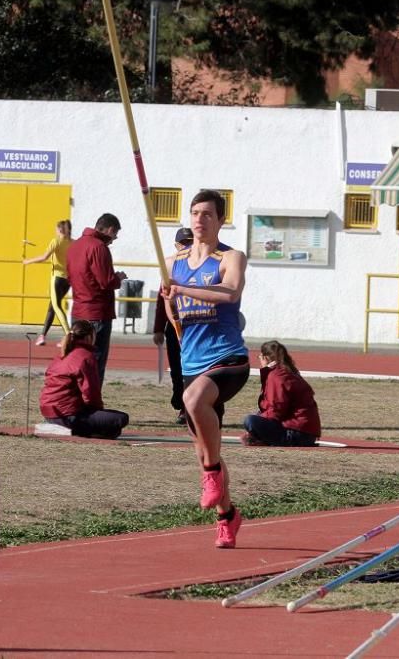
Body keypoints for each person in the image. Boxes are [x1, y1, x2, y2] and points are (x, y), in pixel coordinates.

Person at [161, 189, 249, 549]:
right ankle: (227, 517)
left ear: (220, 220)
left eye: (207, 214)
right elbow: (173, 315)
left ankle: (212, 476)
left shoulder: (231, 257)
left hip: (228, 359)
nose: (199, 220)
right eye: (195, 213)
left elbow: (230, 293)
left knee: (194, 399)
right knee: (203, 449)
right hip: (192, 363)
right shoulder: (172, 261)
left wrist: (182, 289)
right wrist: (172, 302)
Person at [39, 319, 130, 438]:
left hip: (49, 412)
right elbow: (90, 392)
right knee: (120, 419)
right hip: (68, 416)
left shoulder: (61, 354)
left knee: (108, 423)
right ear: (89, 337)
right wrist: (96, 411)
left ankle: (63, 426)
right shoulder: (86, 356)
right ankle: (77, 430)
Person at [66, 213, 126, 387]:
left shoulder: (75, 246)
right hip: (97, 313)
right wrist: (118, 278)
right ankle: (91, 403)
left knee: (77, 359)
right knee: (95, 363)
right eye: (114, 235)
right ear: (110, 229)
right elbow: (106, 281)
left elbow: (70, 276)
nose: (113, 240)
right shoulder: (99, 247)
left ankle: (75, 399)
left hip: (78, 310)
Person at [242, 340, 321, 447]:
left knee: (250, 421)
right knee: (257, 416)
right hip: (305, 431)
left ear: (266, 357)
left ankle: (266, 439)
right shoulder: (289, 372)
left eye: (259, 356)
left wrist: (254, 428)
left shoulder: (276, 376)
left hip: (297, 433)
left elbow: (276, 410)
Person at [153, 227, 194, 424]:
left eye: (190, 242)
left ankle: (188, 408)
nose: (187, 246)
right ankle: (180, 399)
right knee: (177, 369)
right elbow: (161, 300)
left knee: (193, 369)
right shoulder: (169, 266)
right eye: (183, 243)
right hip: (174, 327)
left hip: (194, 327)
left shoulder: (199, 265)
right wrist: (158, 328)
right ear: (176, 245)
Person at [23, 219, 73, 346]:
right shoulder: (73, 243)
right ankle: (42, 336)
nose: (56, 230)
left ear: (60, 230)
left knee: (56, 306)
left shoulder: (56, 241)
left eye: (57, 228)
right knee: (52, 307)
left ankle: (68, 334)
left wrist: (28, 261)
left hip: (57, 278)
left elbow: (44, 257)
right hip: (67, 280)